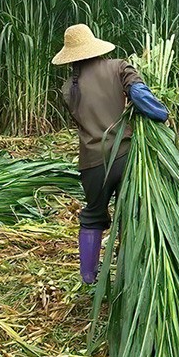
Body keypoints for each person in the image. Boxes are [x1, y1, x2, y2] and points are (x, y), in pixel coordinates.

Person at [53, 24, 168, 283]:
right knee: (129, 214)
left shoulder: (67, 88)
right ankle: (129, 274)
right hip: (124, 156)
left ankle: (88, 278)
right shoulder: (118, 67)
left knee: (92, 216)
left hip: (92, 164)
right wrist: (162, 114)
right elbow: (140, 95)